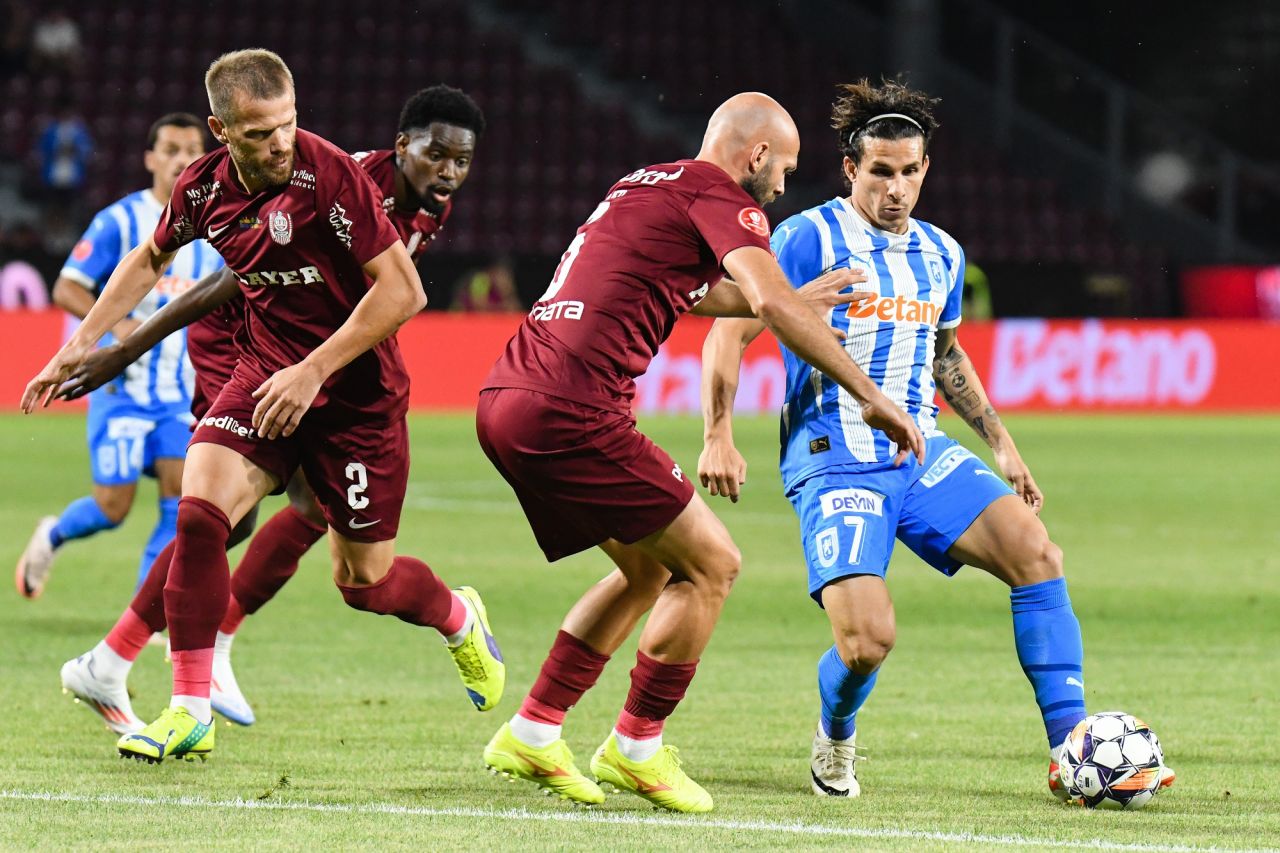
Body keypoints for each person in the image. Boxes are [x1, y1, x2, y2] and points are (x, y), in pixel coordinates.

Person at [22, 50, 504, 763]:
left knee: (363, 580)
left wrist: (313, 371)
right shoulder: (210, 187)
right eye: (258, 134)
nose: (280, 143)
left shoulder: (332, 175)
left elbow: (403, 294)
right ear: (221, 131)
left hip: (354, 394)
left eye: (288, 126)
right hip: (263, 362)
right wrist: (90, 344)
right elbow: (158, 263)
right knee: (202, 508)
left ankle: (459, 618)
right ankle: (189, 703)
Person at [698, 78, 1173, 800]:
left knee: (1036, 553)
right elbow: (727, 332)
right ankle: (835, 732)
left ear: (927, 169)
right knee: (866, 644)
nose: (896, 188)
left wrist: (1003, 445)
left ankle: (1070, 749)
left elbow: (944, 354)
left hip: (920, 451)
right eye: (880, 172)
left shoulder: (942, 254)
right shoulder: (804, 238)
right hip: (836, 461)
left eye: (909, 172)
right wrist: (718, 433)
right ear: (851, 168)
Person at [476, 91, 923, 813]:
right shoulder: (724, 197)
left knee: (647, 567)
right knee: (713, 563)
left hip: (507, 397)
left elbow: (692, 292)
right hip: (573, 407)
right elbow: (766, 300)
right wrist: (868, 393)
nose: (782, 187)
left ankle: (534, 727)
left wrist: (784, 298)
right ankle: (637, 747)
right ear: (754, 156)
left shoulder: (644, 183)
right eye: (783, 168)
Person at [15, 113, 219, 601]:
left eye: (191, 149)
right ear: (150, 158)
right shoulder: (119, 221)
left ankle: (147, 612)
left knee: (179, 504)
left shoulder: (218, 229)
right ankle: (53, 534)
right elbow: (66, 286)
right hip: (120, 388)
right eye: (169, 149)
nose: (180, 159)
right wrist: (119, 325)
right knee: (113, 506)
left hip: (179, 392)